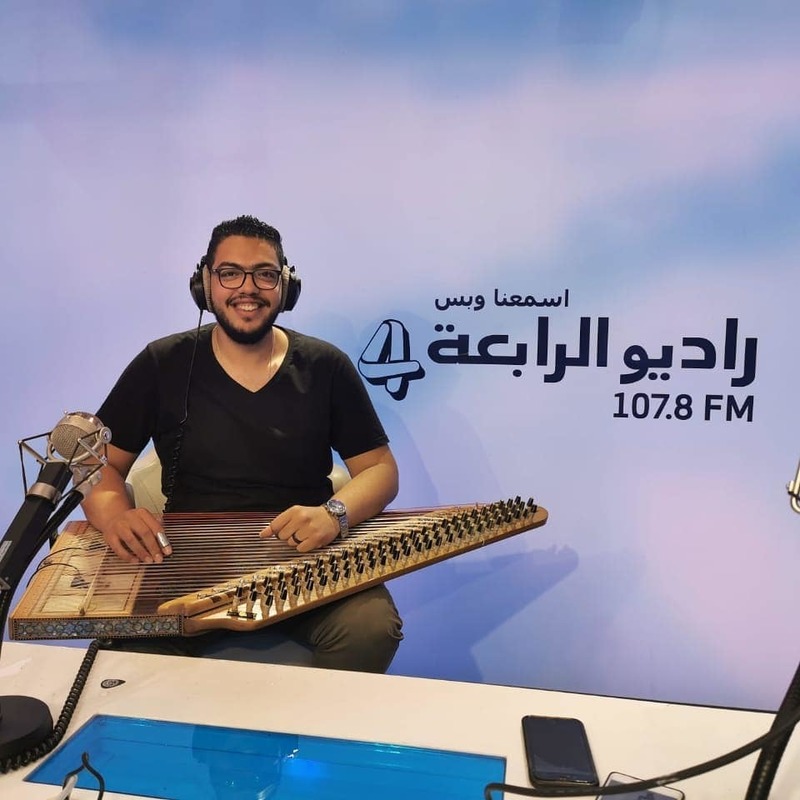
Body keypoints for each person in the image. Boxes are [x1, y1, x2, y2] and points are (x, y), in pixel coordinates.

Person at [81, 214, 403, 672]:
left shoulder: (325, 365)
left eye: (265, 274)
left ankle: (306, 721)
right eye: (230, 273)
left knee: (371, 628)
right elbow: (100, 466)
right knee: (127, 656)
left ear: (285, 286)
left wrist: (333, 514)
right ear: (205, 283)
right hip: (185, 565)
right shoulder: (162, 362)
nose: (247, 289)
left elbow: (380, 470)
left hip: (303, 562)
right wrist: (116, 516)